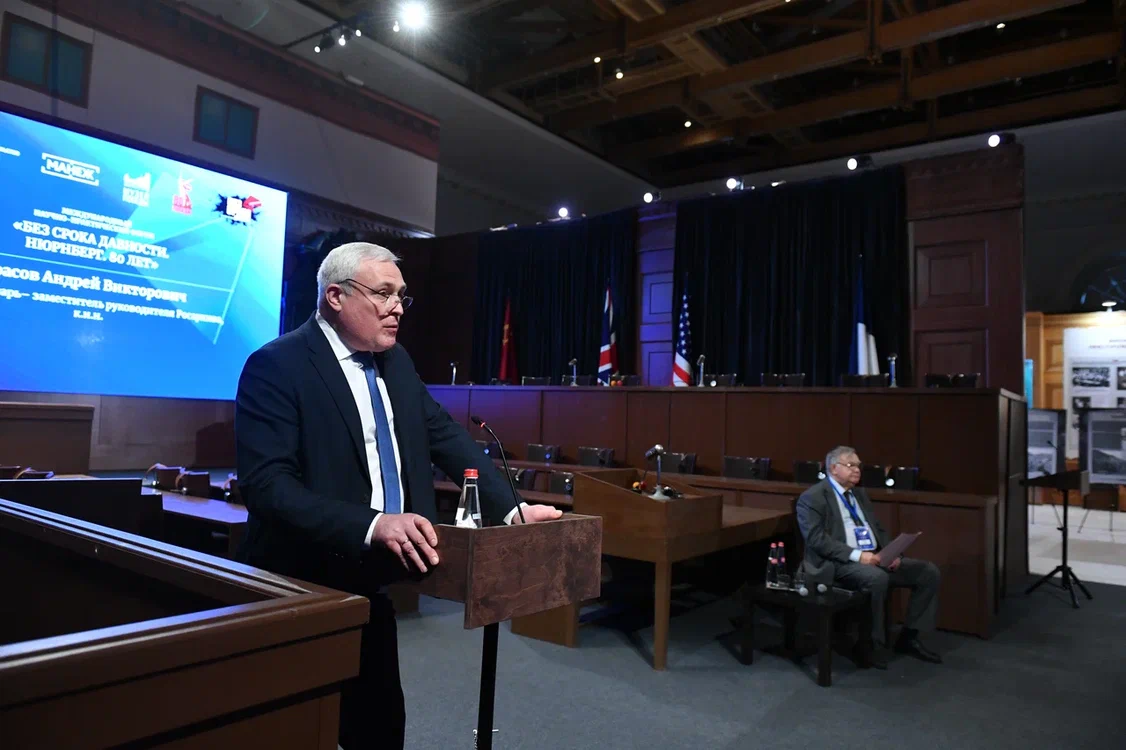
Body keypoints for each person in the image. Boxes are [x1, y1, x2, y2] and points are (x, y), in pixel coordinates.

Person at [234, 242, 562, 750]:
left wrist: (511, 508)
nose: (397, 308)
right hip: (300, 583)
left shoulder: (396, 361)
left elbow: (445, 437)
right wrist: (372, 523)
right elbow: (268, 487)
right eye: (383, 294)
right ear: (336, 296)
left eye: (401, 296)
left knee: (380, 730)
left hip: (370, 584)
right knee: (295, 730)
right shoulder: (277, 365)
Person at [795, 445, 942, 667]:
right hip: (837, 562)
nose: (857, 470)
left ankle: (910, 637)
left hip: (873, 557)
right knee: (877, 578)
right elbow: (817, 540)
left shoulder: (859, 494)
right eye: (850, 465)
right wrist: (858, 556)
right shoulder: (812, 497)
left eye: (858, 465)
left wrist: (892, 552)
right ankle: (871, 645)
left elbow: (877, 529)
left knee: (927, 572)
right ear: (833, 468)